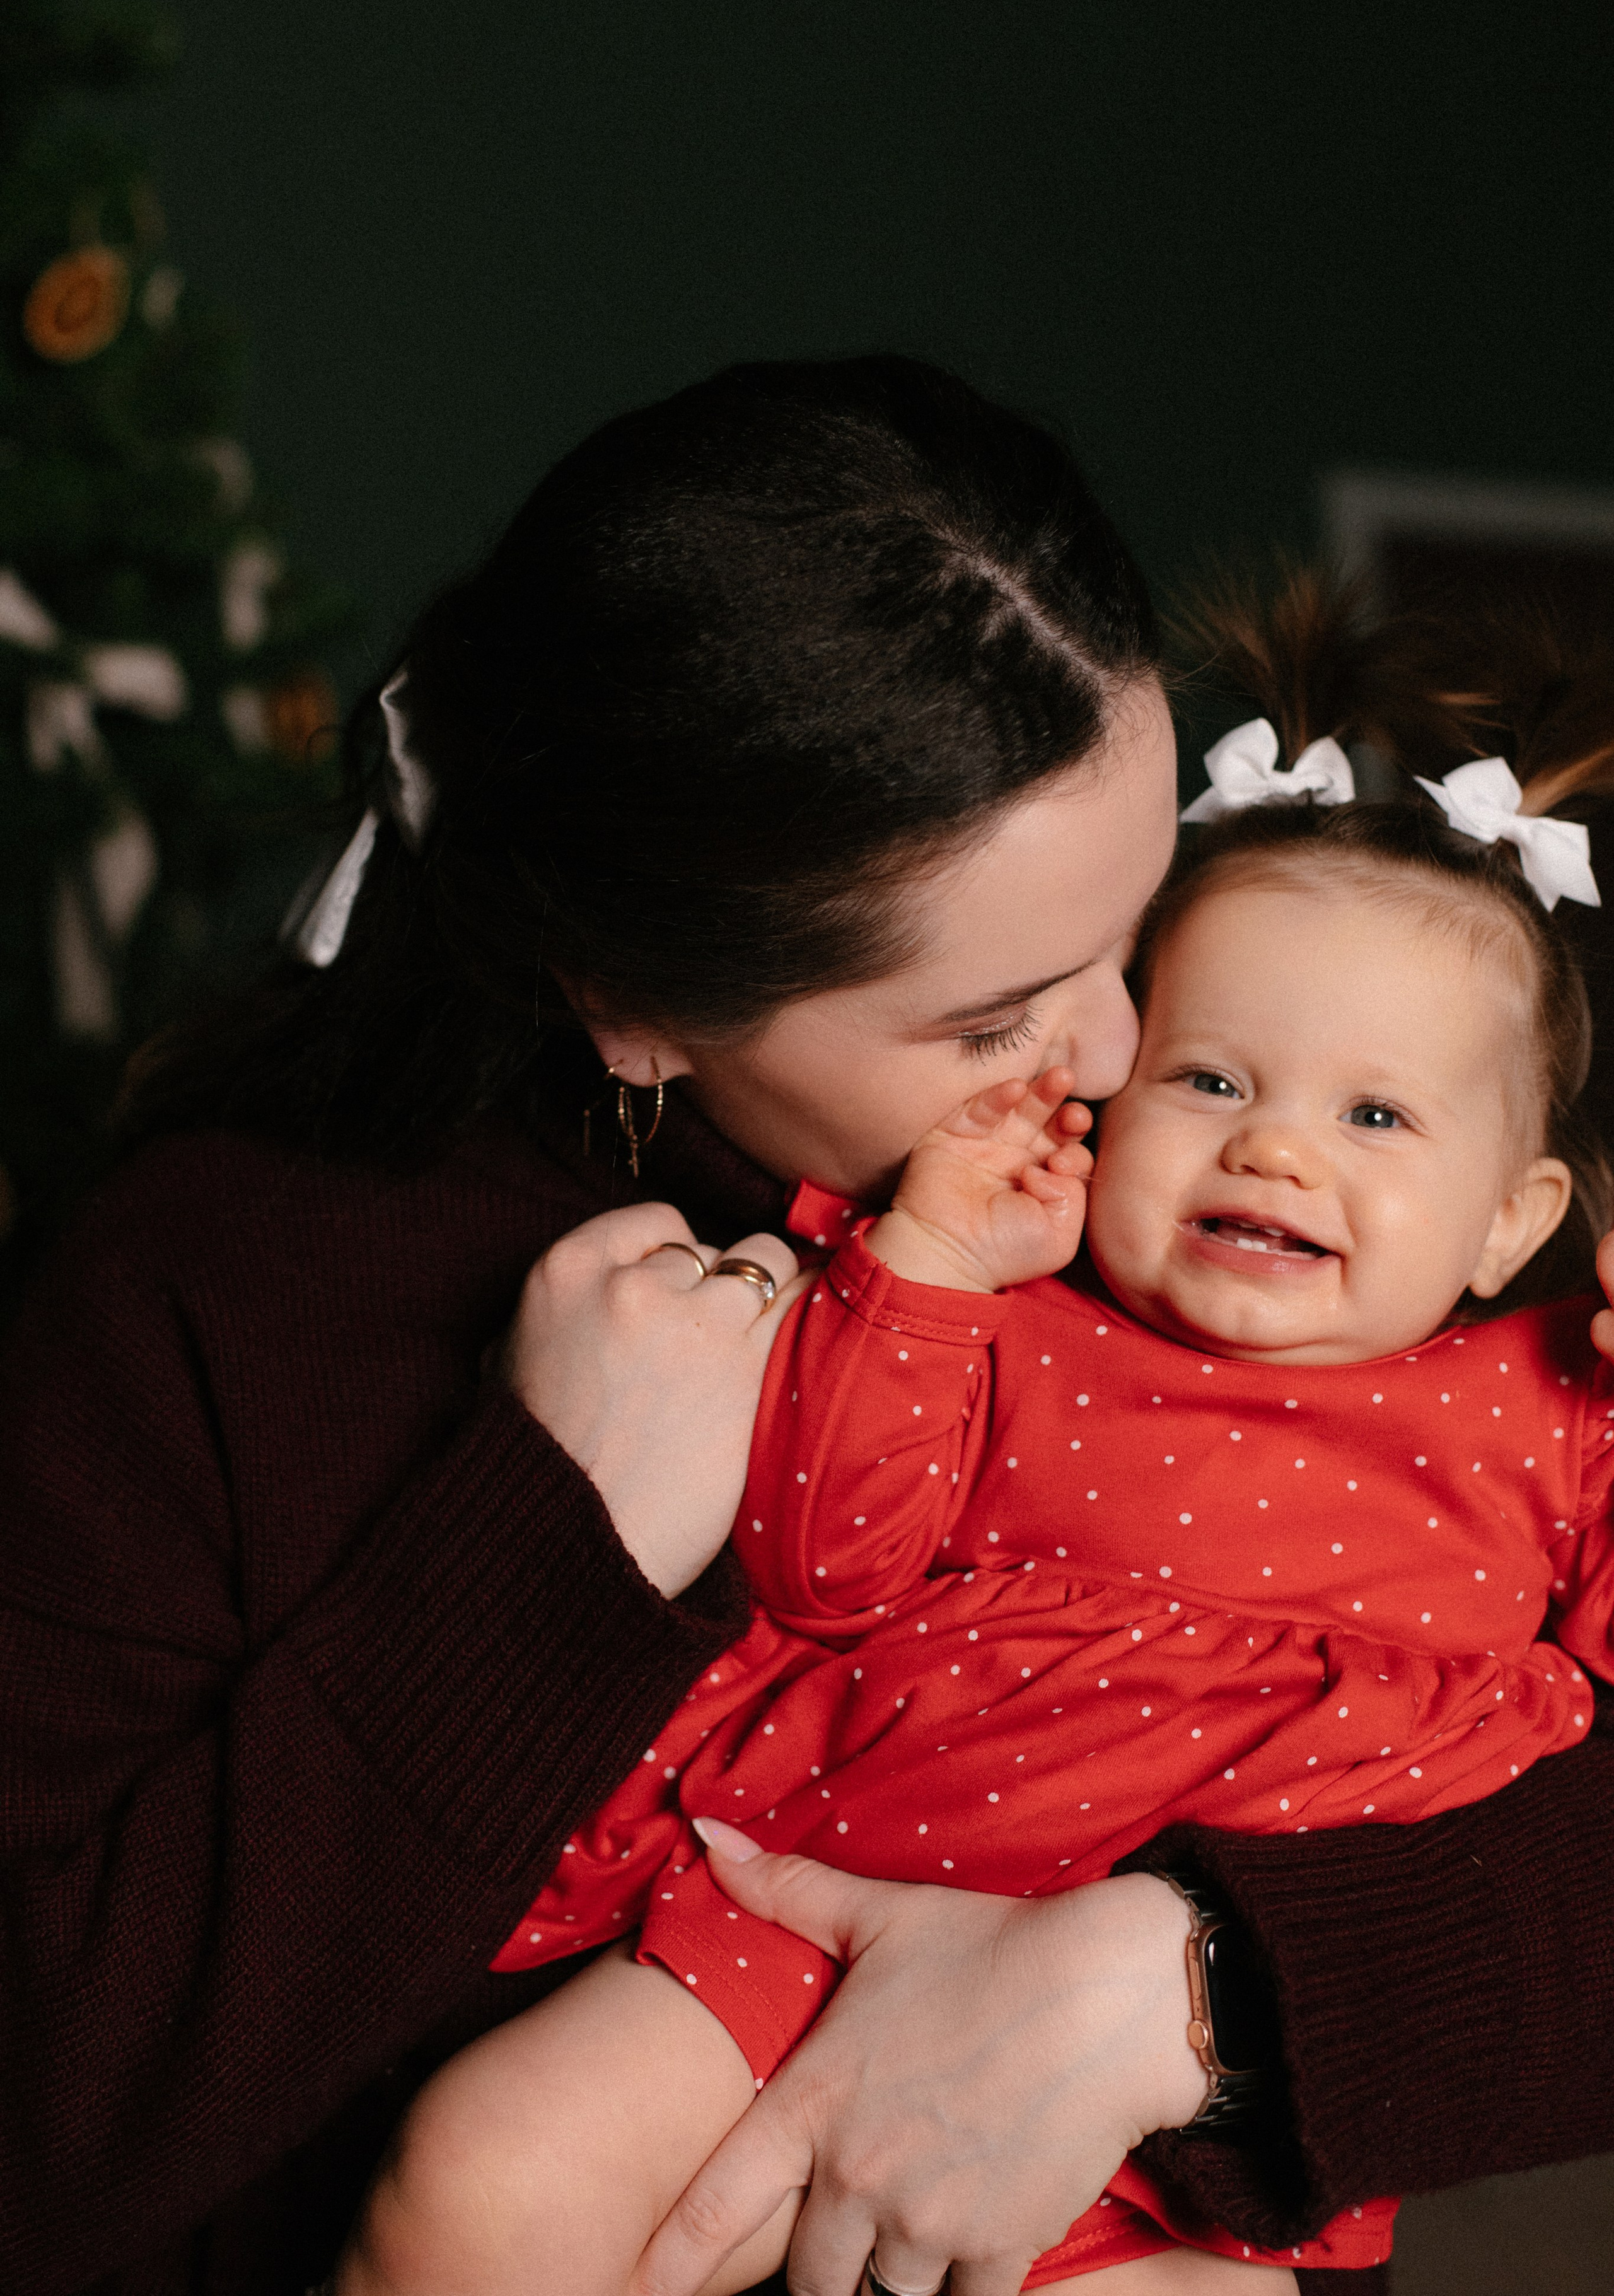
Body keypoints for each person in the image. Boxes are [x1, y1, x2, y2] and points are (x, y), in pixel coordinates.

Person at [0, 363, 1610, 2296]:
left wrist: (1167, 1997)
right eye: (999, 1013)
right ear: (635, 1002)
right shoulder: (222, 1295)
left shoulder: (1255, 1236)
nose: (1118, 1062)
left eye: (1136, 936)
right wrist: (547, 1549)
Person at [332, 657, 1614, 2295]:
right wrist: (928, 1265)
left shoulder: (1553, 1409)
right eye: (1211, 1081)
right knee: (487, 2182)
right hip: (835, 1901)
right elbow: (825, 1563)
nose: (1276, 1149)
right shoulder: (1011, 1318)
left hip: (1206, 2104)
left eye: (1377, 1115)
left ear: (1516, 1219)